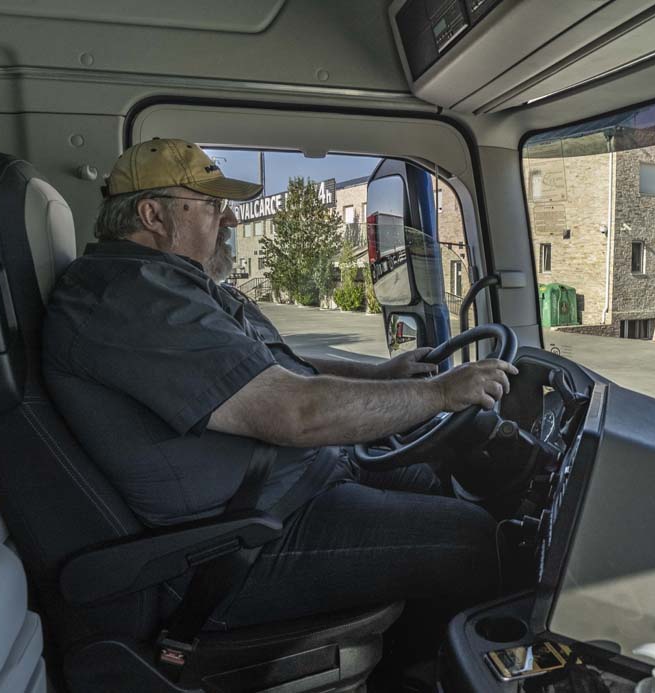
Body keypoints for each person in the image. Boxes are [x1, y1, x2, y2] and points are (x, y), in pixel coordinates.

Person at [42, 138, 518, 635]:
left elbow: (265, 368)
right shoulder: (135, 302)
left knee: (434, 474)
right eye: (212, 206)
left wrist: (376, 375)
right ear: (152, 214)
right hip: (243, 538)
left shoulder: (162, 283)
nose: (228, 221)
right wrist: (440, 394)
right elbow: (294, 412)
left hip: (293, 484)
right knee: (475, 537)